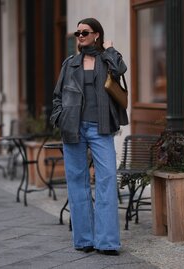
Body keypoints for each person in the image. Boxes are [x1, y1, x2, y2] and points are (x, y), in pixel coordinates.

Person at [50, 17, 128, 256]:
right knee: (77, 184)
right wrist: (60, 118)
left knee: (106, 181)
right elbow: (57, 97)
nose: (80, 36)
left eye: (85, 32)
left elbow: (121, 70)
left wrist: (110, 49)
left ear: (96, 35)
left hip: (100, 127)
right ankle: (84, 239)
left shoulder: (107, 60)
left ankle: (107, 242)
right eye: (78, 33)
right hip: (73, 128)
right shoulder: (70, 63)